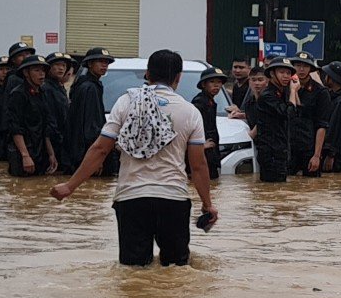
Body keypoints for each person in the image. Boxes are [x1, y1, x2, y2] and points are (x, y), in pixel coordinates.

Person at [53, 48, 219, 265]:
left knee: (133, 272)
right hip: (173, 199)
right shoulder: (190, 112)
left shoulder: (126, 102)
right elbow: (198, 166)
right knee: (176, 271)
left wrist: (70, 186)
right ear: (178, 78)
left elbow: (100, 149)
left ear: (147, 75)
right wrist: (208, 205)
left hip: (131, 198)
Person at [4, 56, 57, 177]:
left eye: (43, 71)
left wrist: (51, 154)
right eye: (37, 70)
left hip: (40, 152)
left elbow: (45, 128)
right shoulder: (18, 94)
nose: (42, 74)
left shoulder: (42, 93)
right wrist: (25, 156)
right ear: (26, 73)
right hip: (23, 153)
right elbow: (15, 128)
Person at [245, 61, 296, 183]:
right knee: (273, 190)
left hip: (280, 151)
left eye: (288, 73)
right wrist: (293, 91)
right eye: (281, 72)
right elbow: (289, 113)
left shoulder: (281, 92)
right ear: (272, 74)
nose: (285, 76)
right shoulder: (268, 95)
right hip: (270, 153)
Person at [68, 49, 113, 176]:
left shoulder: (88, 85)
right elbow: (90, 125)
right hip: (86, 152)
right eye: (100, 62)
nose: (104, 65)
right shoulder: (89, 88)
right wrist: (96, 159)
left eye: (106, 62)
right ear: (89, 64)